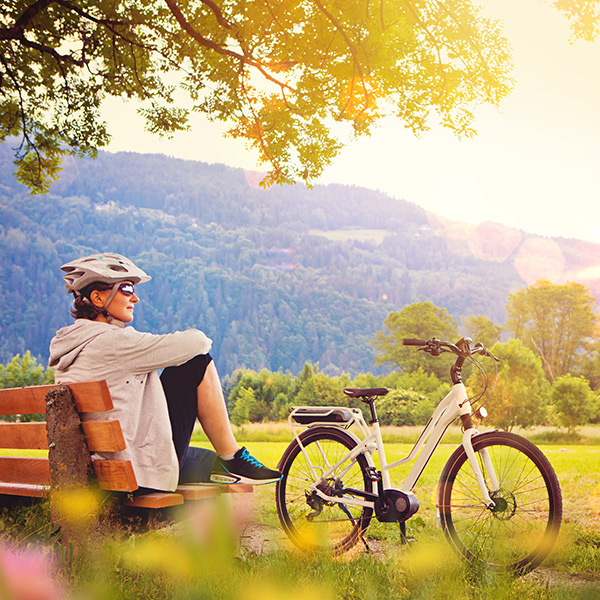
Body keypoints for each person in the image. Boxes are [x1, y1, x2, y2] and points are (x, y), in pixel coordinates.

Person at [48, 252, 281, 493]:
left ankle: (226, 466)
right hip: (133, 476)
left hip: (99, 470)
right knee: (195, 362)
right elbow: (198, 342)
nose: (135, 298)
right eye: (126, 289)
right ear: (97, 297)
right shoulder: (114, 343)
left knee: (207, 462)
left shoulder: (70, 346)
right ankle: (233, 457)